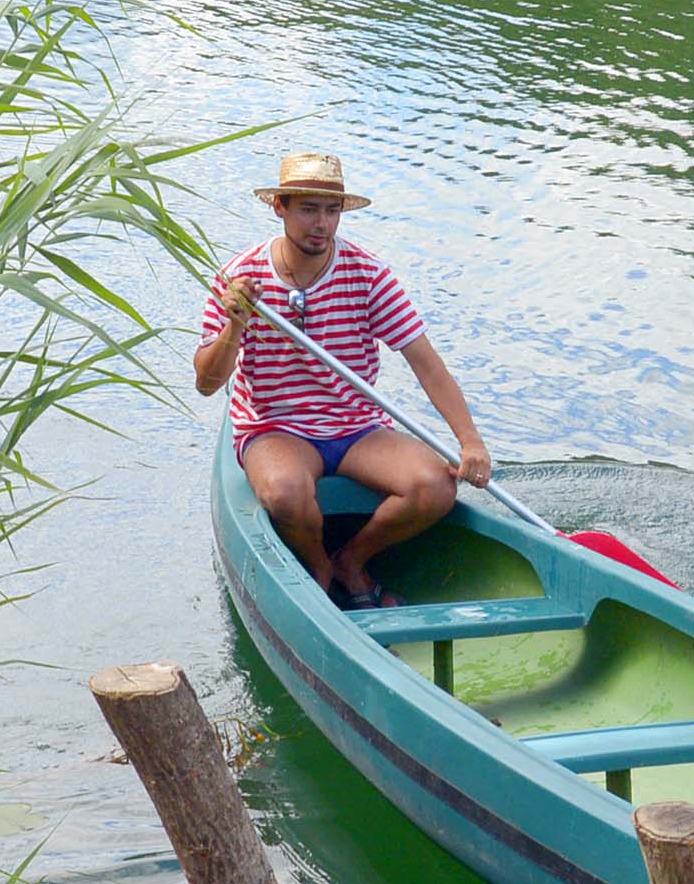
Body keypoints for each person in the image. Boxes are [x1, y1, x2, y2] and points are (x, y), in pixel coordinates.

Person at [196, 152, 493, 611]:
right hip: (275, 427)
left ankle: (351, 561)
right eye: (308, 209)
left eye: (332, 211)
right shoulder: (240, 278)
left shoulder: (367, 274)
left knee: (434, 487)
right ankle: (318, 565)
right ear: (280, 207)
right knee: (285, 493)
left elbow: (426, 363)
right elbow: (207, 383)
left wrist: (469, 440)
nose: (322, 224)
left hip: (356, 426)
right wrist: (235, 325)